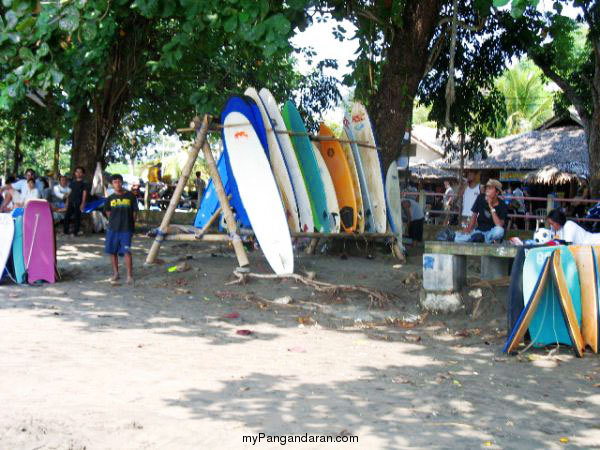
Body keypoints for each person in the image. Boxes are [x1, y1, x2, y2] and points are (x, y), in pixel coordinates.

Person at [104, 174, 138, 284]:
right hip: (113, 229)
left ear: (122, 182)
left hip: (126, 229)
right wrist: (114, 222)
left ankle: (129, 275)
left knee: (127, 252)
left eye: (119, 181)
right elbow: (108, 213)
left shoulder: (131, 196)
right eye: (115, 182)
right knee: (112, 252)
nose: (117, 184)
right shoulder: (109, 198)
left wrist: (132, 226)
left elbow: (134, 212)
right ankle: (116, 274)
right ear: (112, 184)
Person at [454, 179, 508, 243]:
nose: (487, 190)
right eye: (486, 188)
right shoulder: (480, 198)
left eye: (490, 188)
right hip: (479, 231)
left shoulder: (502, 205)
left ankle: (480, 240)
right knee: (457, 239)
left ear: (497, 192)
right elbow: (474, 216)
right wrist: (468, 230)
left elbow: (499, 225)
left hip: (491, 233)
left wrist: (490, 206)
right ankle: (481, 240)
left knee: (500, 231)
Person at [64, 167, 89, 236]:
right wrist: (66, 202)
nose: (78, 173)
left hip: (79, 202)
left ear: (83, 174)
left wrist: (83, 203)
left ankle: (75, 232)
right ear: (75, 173)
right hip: (71, 201)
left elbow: (84, 193)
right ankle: (65, 231)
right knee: (67, 216)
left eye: (80, 172)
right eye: (77, 172)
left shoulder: (84, 183)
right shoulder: (72, 183)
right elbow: (69, 193)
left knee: (77, 217)